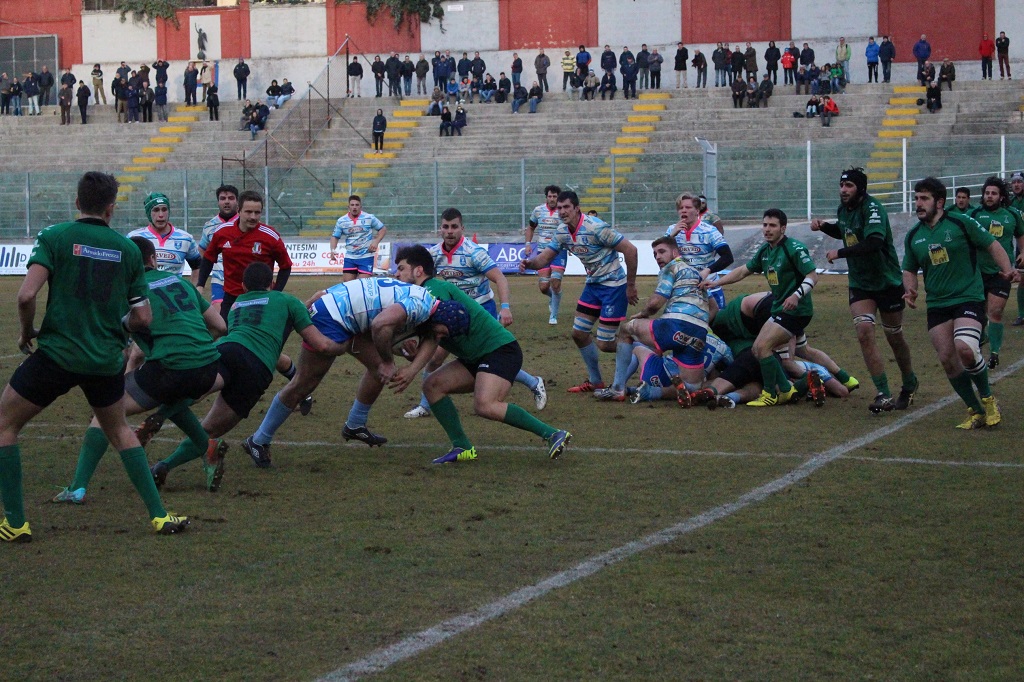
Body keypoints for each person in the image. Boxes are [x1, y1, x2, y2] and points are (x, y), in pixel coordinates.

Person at [0, 172, 187, 543]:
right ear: (111, 207)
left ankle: (16, 522)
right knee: (118, 430)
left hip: (56, 355)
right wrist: (118, 330)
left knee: (5, 425)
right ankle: (160, 516)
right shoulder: (129, 249)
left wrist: (26, 332)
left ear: (76, 202)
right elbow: (143, 317)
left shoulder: (55, 237)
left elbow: (25, 296)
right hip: (104, 359)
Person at [53, 236, 227, 502]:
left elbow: (109, 337)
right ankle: (208, 447)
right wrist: (192, 348)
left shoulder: (123, 291)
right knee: (172, 396)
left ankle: (77, 488)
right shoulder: (180, 282)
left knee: (105, 411)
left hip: (171, 367)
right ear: (153, 259)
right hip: (208, 365)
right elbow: (220, 327)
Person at [152, 262, 342, 480]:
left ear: (243, 287)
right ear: (272, 283)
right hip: (254, 368)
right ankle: (165, 465)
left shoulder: (237, 305)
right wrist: (344, 346)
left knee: (194, 393)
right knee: (211, 430)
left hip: (224, 351)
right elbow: (321, 345)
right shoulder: (287, 300)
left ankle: (161, 414)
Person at [241, 276, 457, 466]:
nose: (439, 341)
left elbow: (378, 317)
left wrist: (400, 359)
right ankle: (258, 440)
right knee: (304, 383)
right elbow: (381, 326)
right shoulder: (420, 309)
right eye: (441, 335)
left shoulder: (423, 298)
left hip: (339, 310)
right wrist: (390, 360)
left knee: (379, 370)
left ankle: (355, 424)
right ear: (438, 321)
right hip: (333, 317)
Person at [391, 246, 571, 464]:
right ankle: (462, 447)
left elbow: (432, 338)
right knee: (432, 386)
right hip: (475, 357)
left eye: (401, 268)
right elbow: (434, 353)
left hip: (500, 350)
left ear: (418, 271)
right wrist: (411, 356)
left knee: (485, 404)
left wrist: (411, 369)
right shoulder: (419, 297)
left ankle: (553, 433)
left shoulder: (432, 290)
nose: (396, 274)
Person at [404, 208, 547, 417]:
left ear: (462, 228)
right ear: (440, 229)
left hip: (480, 311)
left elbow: (500, 278)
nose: (450, 231)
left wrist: (505, 307)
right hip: (450, 315)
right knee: (435, 358)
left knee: (487, 360)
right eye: (446, 227)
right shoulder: (433, 255)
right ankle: (426, 405)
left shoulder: (474, 253)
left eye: (454, 227)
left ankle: (534, 382)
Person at [902, 177, 1018, 429]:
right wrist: (910, 290)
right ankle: (974, 409)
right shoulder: (913, 236)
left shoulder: (961, 222)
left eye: (924, 199)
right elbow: (909, 268)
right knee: (947, 359)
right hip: (937, 303)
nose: (918, 203)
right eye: (916, 198)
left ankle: (988, 399)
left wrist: (1007, 269)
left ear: (940, 202)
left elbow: (993, 244)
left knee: (964, 347)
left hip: (968, 297)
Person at [811, 168, 917, 412]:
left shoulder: (873, 209)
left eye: (849, 186)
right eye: (842, 186)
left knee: (894, 336)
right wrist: (825, 226)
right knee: (864, 333)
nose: (843, 190)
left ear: (860, 188)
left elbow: (874, 242)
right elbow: (845, 230)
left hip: (887, 281)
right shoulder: (844, 210)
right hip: (860, 283)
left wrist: (840, 253)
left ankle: (909, 381)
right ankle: (883, 393)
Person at [520, 190, 639, 393]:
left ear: (577, 208)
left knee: (604, 342)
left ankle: (640, 352)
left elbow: (631, 250)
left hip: (613, 286)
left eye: (567, 207)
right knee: (579, 334)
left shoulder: (596, 227)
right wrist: (530, 263)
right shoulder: (562, 232)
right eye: (559, 208)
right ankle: (596, 381)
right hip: (593, 285)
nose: (563, 211)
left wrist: (630, 285)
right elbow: (546, 257)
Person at [702, 208, 816, 407]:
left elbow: (813, 276)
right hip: (781, 309)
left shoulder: (794, 248)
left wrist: (796, 296)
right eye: (765, 225)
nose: (767, 229)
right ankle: (787, 389)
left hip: (796, 311)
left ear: (783, 228)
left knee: (763, 348)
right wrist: (716, 283)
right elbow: (742, 271)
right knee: (757, 349)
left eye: (772, 225)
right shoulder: (765, 251)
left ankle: (772, 393)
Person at [610, 237, 710, 401]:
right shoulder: (696, 275)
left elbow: (655, 303)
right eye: (655, 254)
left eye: (662, 252)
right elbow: (712, 307)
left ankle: (617, 388)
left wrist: (643, 314)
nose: (657, 257)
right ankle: (650, 392)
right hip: (699, 332)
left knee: (626, 330)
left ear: (676, 252)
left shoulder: (671, 268)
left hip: (675, 325)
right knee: (692, 386)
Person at [196, 190, 292, 321]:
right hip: (231, 297)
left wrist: (276, 293)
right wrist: (200, 284)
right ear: (238, 210)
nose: (253, 217)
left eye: (257, 212)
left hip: (261, 298)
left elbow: (286, 266)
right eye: (248, 212)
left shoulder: (270, 236)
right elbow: (208, 258)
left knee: (258, 337)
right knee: (224, 333)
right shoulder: (223, 232)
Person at [968, 177, 1024, 369]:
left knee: (996, 312)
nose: (989, 196)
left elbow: (1020, 234)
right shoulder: (974, 214)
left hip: (1002, 273)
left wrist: (1022, 251)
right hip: (977, 273)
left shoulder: (1012, 215)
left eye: (993, 193)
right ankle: (980, 339)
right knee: (979, 313)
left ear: (1001, 197)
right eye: (987, 193)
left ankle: (994, 353)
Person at [666, 193, 733, 310]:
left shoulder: (709, 231)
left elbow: (728, 257)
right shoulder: (672, 230)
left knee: (717, 325)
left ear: (697, 211)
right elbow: (662, 255)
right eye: (681, 208)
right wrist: (672, 236)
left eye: (688, 207)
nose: (683, 211)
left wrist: (708, 270)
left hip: (709, 286)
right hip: (683, 288)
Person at [126, 192, 202, 283]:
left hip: (174, 295)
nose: (161, 215)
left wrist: (194, 291)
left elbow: (198, 267)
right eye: (156, 210)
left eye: (164, 209)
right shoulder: (134, 238)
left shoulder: (185, 238)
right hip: (146, 295)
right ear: (148, 213)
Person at [525, 185, 567, 325]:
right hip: (542, 252)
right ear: (546, 197)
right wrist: (528, 244)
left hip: (558, 251)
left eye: (555, 197)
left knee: (555, 282)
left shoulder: (563, 212)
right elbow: (531, 227)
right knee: (544, 287)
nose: (552, 199)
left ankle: (553, 316)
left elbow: (571, 228)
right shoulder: (538, 211)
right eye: (550, 196)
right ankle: (553, 298)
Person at [198, 184, 238, 310]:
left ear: (237, 201)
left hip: (241, 278)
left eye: (231, 198)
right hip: (219, 280)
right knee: (219, 313)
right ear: (218, 202)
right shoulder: (209, 226)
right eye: (223, 198)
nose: (226, 202)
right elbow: (202, 249)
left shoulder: (245, 223)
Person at [330, 194, 387, 281]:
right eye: (352, 205)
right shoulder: (341, 221)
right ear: (348, 206)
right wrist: (333, 250)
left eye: (357, 205)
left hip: (366, 256)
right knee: (348, 286)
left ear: (361, 206)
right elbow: (335, 236)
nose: (354, 207)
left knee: (363, 285)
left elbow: (382, 229)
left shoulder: (369, 217)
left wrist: (376, 241)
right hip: (350, 257)